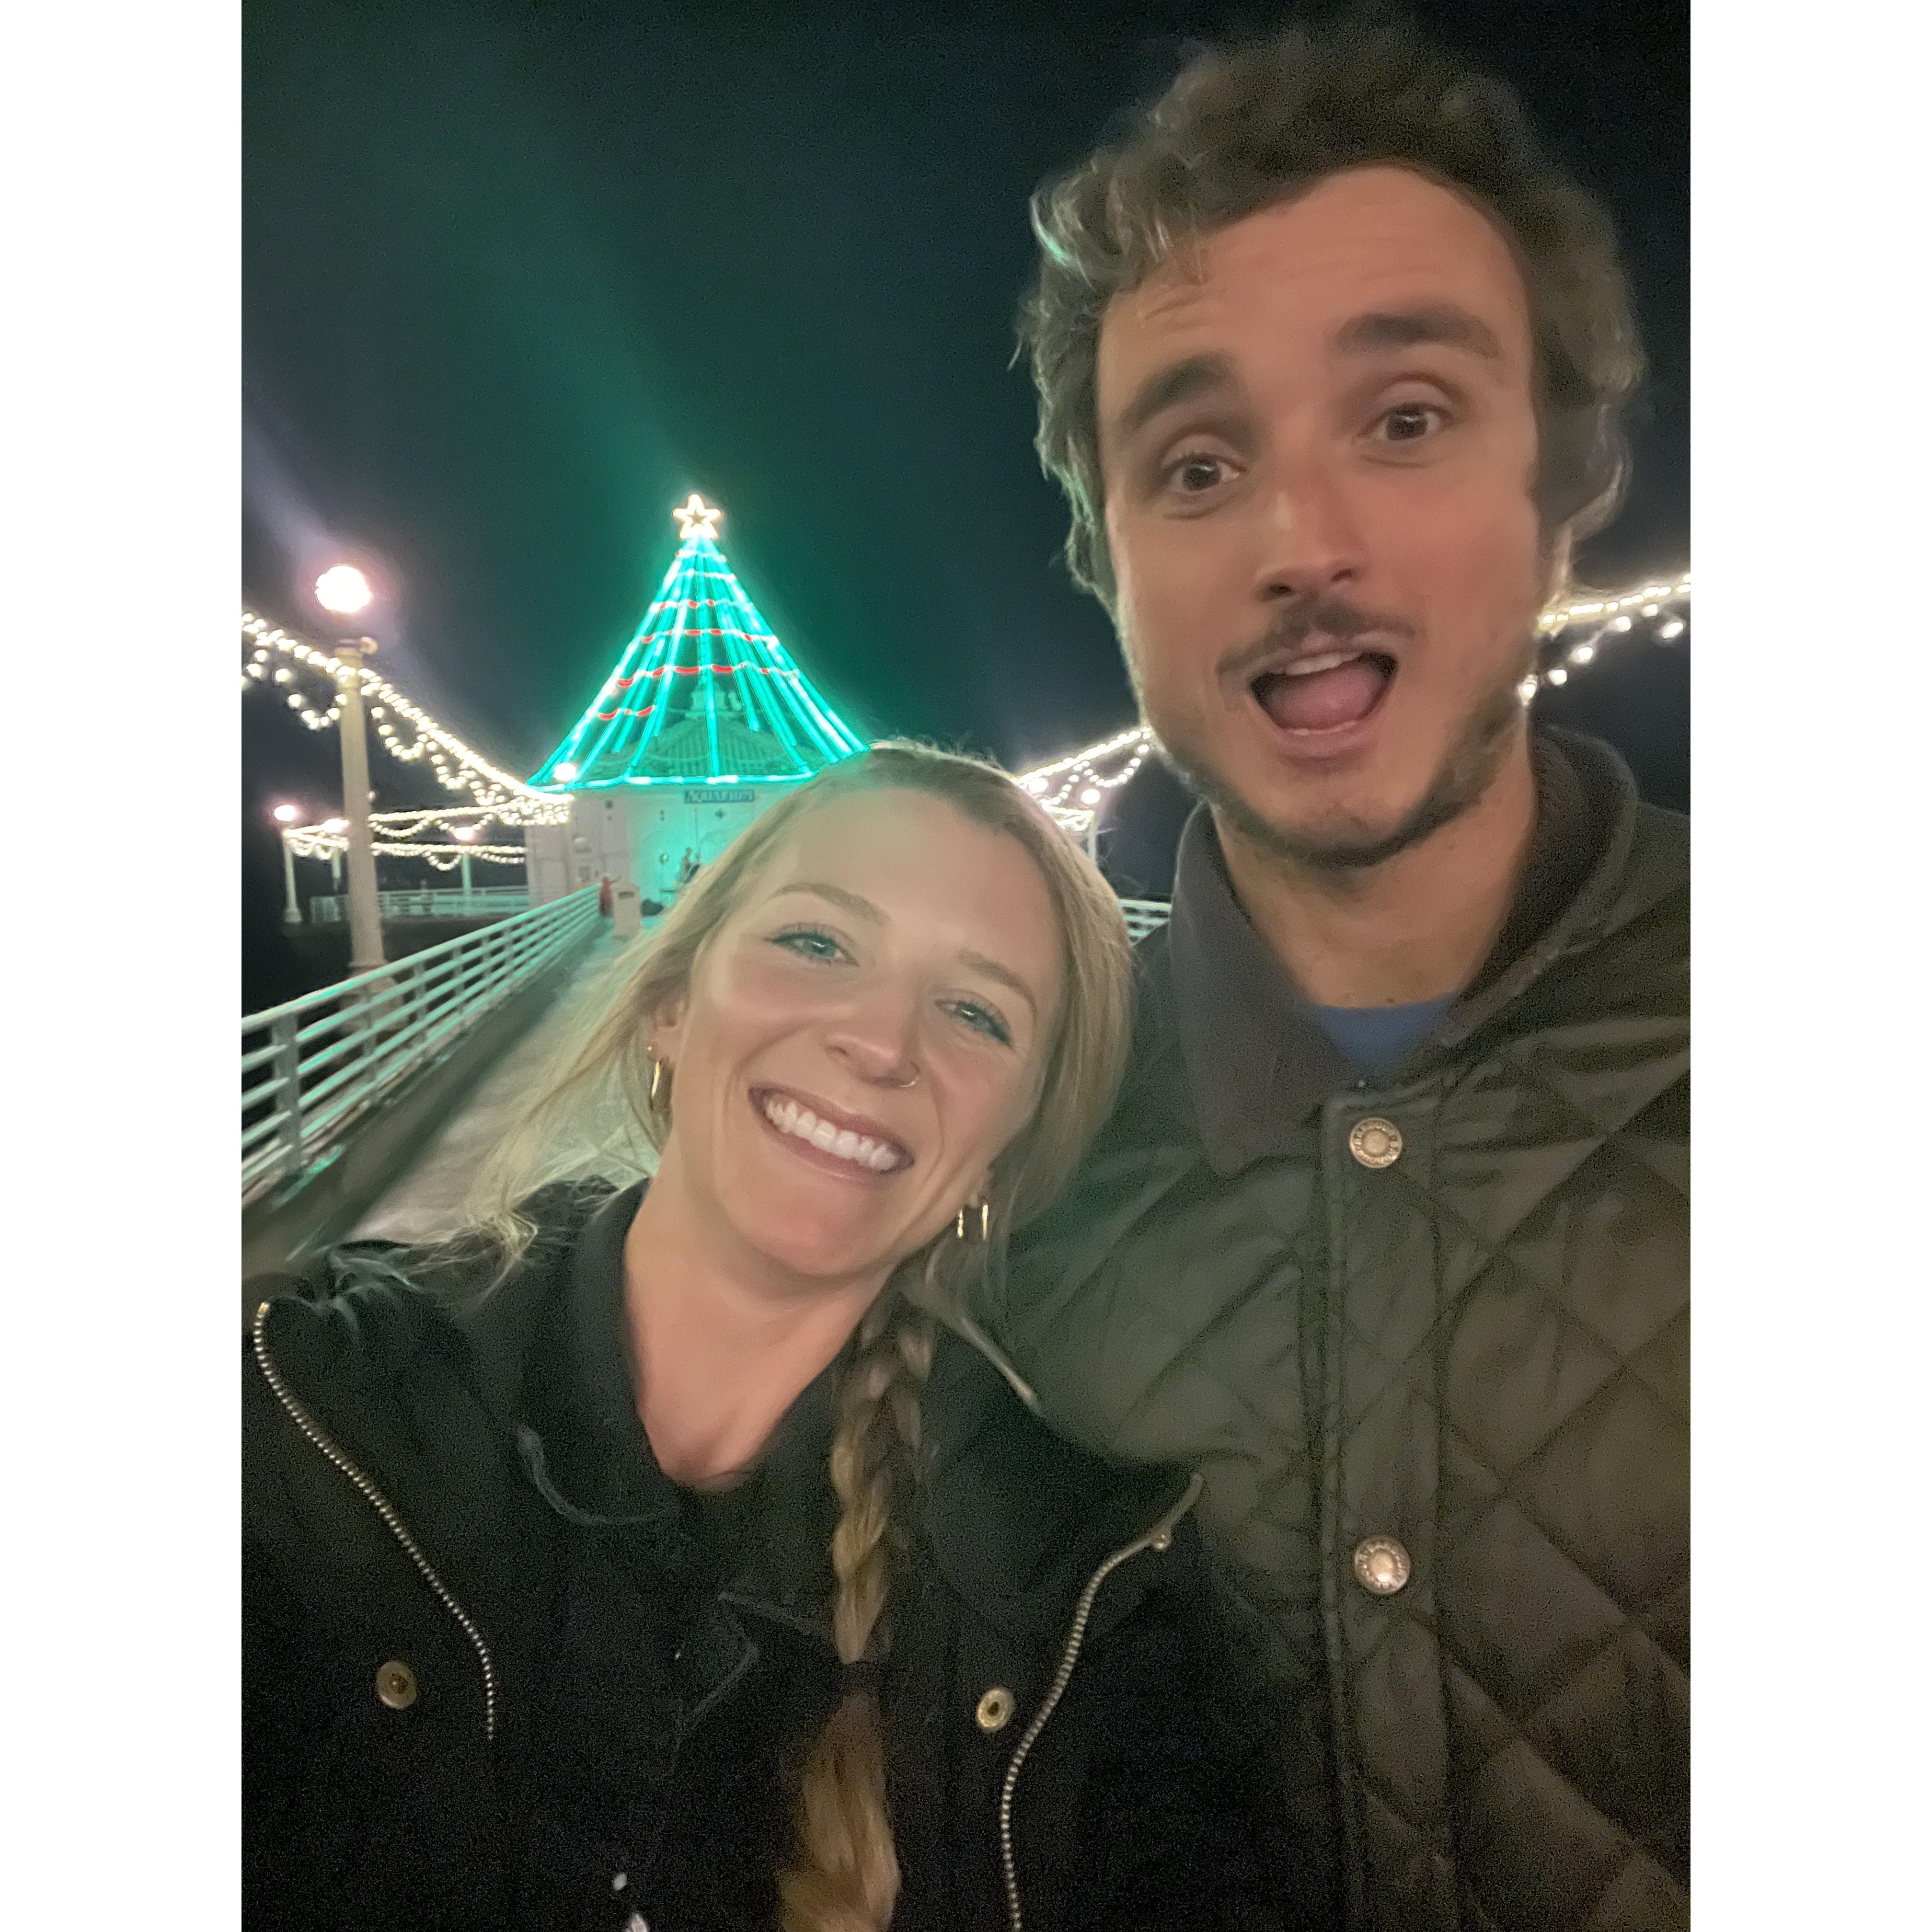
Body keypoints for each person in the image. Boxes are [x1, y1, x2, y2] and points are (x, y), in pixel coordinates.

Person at [980, 20, 1688, 1932]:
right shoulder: (996, 1154)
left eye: (1407, 420)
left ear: (1564, 502)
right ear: (1109, 569)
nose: (1303, 543)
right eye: (1200, 464)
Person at [244, 745, 1297, 1932]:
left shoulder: (1074, 1592)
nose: (882, 1042)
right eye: (817, 943)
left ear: (999, 1160)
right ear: (671, 1006)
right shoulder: (305, 1413)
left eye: (976, 1013)